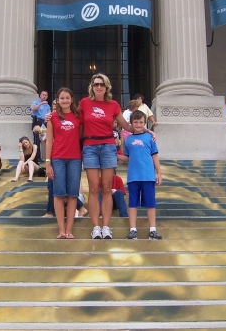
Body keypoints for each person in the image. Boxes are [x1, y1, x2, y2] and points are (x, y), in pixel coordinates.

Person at [79, 73, 156, 240]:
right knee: (93, 188)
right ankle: (96, 227)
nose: (98, 87)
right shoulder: (84, 103)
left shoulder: (113, 105)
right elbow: (75, 121)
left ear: (106, 87)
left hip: (108, 147)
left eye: (102, 84)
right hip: (90, 147)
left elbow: (128, 126)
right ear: (92, 87)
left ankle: (106, 227)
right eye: (96, 84)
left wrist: (146, 130)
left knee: (107, 188)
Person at [118, 110, 162, 240]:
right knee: (132, 204)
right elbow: (127, 157)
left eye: (141, 122)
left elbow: (155, 156)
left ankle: (153, 230)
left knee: (150, 203)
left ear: (145, 123)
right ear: (131, 123)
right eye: (135, 122)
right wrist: (115, 156)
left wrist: (159, 173)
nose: (138, 125)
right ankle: (133, 230)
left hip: (148, 176)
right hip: (133, 177)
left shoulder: (150, 138)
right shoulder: (128, 140)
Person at [45, 87, 82, 239]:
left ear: (72, 99)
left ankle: (69, 229)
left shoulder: (79, 116)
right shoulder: (52, 117)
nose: (65, 100)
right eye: (62, 98)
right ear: (58, 100)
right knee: (58, 193)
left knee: (73, 194)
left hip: (75, 158)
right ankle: (61, 230)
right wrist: (48, 162)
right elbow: (48, 141)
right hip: (58, 158)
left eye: (67, 97)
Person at [30, 90, 51, 160]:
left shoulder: (47, 106)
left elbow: (49, 114)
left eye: (46, 95)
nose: (44, 96)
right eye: (43, 95)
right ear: (40, 95)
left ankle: (47, 156)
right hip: (37, 121)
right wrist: (41, 104)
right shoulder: (36, 102)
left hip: (45, 122)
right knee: (37, 140)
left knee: (46, 138)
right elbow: (32, 109)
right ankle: (37, 157)